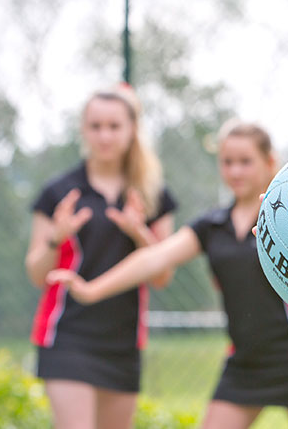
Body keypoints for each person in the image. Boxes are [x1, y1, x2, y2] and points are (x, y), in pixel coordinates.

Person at [47, 121, 288, 429]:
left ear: (269, 162)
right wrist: (92, 289)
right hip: (244, 366)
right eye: (228, 162)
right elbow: (154, 257)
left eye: (245, 162)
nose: (235, 171)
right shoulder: (212, 226)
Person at [25, 84, 177, 429]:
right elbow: (36, 275)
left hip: (122, 341)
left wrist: (139, 232)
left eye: (114, 126)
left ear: (132, 129)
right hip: (67, 335)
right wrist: (56, 238)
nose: (104, 135)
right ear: (83, 129)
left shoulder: (153, 195)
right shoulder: (58, 192)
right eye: (95, 126)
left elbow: (162, 277)